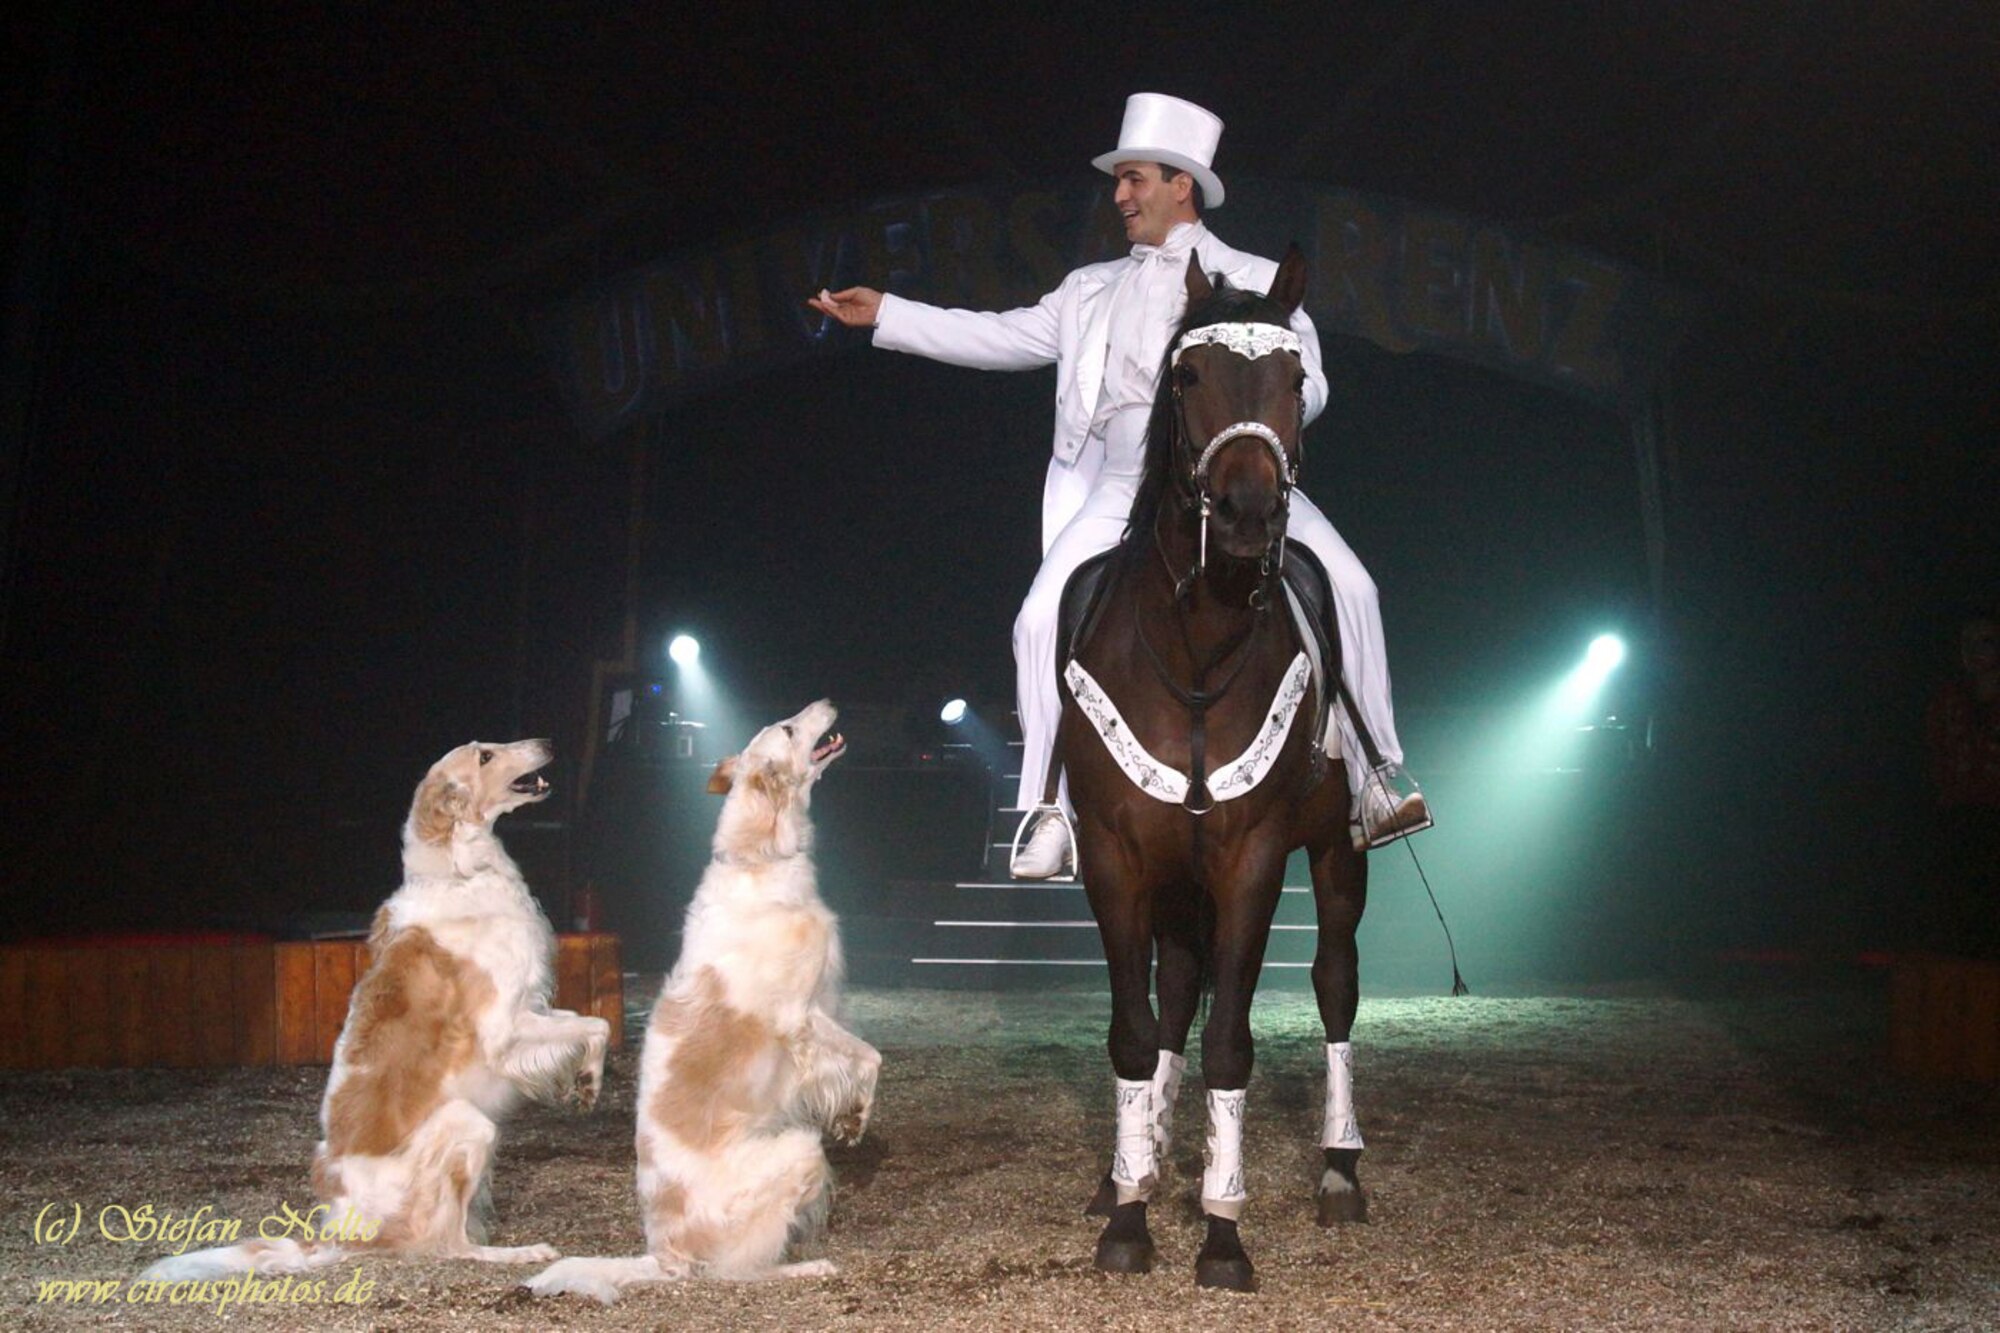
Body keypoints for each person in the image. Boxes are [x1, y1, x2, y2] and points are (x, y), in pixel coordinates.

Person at [810, 92, 1428, 877]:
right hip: (1119, 481)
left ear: (1183, 185)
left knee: (1354, 585)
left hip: (1236, 465)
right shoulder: (1088, 291)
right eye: (1120, 181)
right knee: (1038, 620)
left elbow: (1314, 386)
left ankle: (1376, 778)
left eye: (1134, 179)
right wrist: (888, 315)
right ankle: (1048, 811)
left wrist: (1256, 424)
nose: (1121, 196)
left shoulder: (1260, 279)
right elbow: (994, 335)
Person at [1923, 613, 2000, 954]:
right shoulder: (1948, 700)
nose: (1974, 651)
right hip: (1959, 811)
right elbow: (1936, 751)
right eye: (1967, 643)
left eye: (1985, 641)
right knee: (1961, 894)